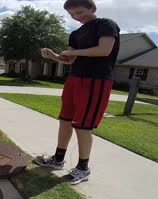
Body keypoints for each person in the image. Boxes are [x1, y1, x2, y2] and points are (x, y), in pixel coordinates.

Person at [35, 0, 120, 185]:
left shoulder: (106, 24)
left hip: (96, 80)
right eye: (72, 14)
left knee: (83, 126)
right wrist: (54, 56)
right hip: (74, 79)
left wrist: (75, 52)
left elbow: (104, 50)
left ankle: (83, 169)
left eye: (80, 12)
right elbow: (71, 60)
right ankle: (57, 160)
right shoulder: (75, 34)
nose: (77, 17)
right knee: (65, 121)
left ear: (93, 8)